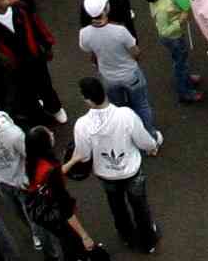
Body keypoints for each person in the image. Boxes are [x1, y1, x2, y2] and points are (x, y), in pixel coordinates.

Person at [67, 92, 163, 252]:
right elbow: (143, 140)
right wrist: (152, 146)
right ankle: (148, 241)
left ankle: (127, 236)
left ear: (87, 99)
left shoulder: (82, 125)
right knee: (140, 206)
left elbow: (84, 156)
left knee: (117, 206)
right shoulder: (126, 115)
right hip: (131, 171)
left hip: (106, 174)